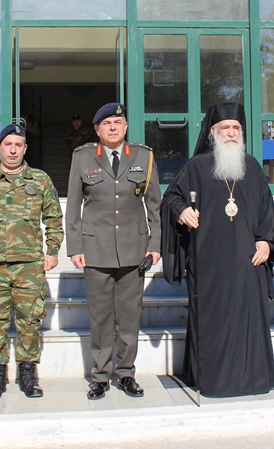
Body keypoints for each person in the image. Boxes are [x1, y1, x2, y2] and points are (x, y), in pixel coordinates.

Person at [161, 102, 274, 398]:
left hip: (247, 263)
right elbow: (170, 198)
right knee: (214, 323)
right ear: (212, 133)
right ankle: (214, 381)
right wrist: (181, 212)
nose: (231, 133)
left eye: (236, 128)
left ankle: (253, 380)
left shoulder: (251, 167)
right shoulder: (197, 166)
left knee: (249, 322)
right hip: (209, 264)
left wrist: (266, 241)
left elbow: (267, 212)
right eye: (224, 128)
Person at [0, 123, 64, 400]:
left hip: (30, 264)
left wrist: (52, 250)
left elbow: (54, 218)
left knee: (30, 321)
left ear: (25, 148)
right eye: (8, 144)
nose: (13, 149)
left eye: (18, 145)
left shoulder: (40, 180)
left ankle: (28, 374)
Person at [65, 102, 161, 399]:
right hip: (96, 248)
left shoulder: (144, 157)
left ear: (125, 127)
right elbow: (73, 206)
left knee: (129, 317)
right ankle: (101, 376)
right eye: (106, 124)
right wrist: (74, 246)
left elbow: (155, 204)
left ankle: (126, 373)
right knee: (101, 317)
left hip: (134, 248)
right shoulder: (82, 158)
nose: (113, 128)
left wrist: (155, 245)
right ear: (97, 130)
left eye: (117, 123)